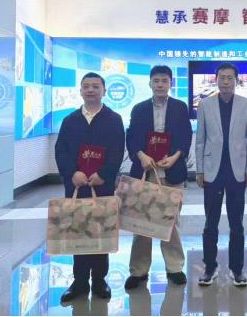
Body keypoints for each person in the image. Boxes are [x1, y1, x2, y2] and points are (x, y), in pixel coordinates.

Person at [55, 72, 125, 302]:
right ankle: (79, 281)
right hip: (76, 185)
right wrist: (71, 173)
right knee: (78, 231)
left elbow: (117, 151)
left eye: (96, 86)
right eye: (86, 86)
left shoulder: (113, 119)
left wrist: (103, 174)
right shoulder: (70, 120)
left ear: (104, 91)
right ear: (81, 91)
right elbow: (61, 150)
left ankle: (100, 280)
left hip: (101, 185)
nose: (91, 90)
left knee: (100, 230)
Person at [124, 65, 192, 290]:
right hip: (145, 172)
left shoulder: (180, 107)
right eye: (156, 81)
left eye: (164, 80)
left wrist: (175, 157)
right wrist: (141, 156)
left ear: (171, 83)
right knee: (141, 222)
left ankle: (175, 267)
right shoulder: (139, 109)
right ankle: (138, 270)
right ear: (150, 83)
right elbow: (132, 138)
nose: (160, 84)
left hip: (172, 171)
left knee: (171, 222)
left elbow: (185, 137)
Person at [195, 63, 247, 287]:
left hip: (237, 171)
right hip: (212, 170)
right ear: (216, 79)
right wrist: (199, 169)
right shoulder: (205, 104)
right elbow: (200, 139)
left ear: (237, 81)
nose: (226, 81)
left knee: (236, 223)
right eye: (222, 77)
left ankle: (236, 269)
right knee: (210, 223)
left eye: (230, 78)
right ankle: (209, 268)